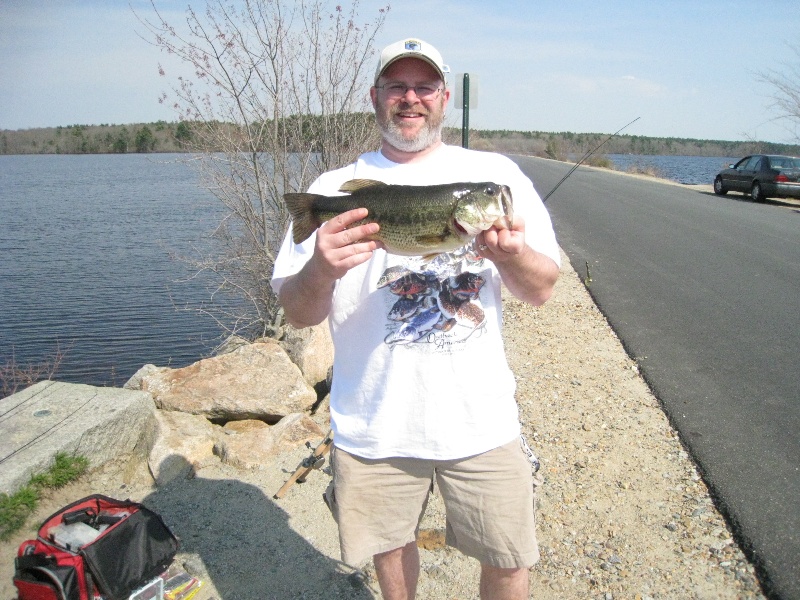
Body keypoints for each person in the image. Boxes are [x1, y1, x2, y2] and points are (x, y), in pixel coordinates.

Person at [271, 38, 561, 600]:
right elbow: (298, 313)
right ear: (375, 97)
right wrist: (320, 270)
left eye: (424, 87)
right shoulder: (331, 190)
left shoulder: (494, 175)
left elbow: (543, 289)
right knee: (390, 551)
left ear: (444, 97)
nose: (411, 99)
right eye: (396, 87)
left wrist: (512, 255)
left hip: (481, 420)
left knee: (508, 556)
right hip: (373, 423)